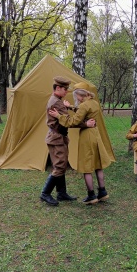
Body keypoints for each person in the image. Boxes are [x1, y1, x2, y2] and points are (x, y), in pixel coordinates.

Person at [49, 82, 111, 205]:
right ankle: (103, 192)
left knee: (86, 166)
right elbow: (84, 111)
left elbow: (72, 122)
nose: (76, 98)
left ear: (80, 95)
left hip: (87, 136)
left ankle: (91, 195)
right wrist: (71, 107)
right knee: (98, 165)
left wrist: (58, 116)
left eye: (76, 96)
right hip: (95, 135)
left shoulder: (83, 106)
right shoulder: (94, 103)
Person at [40, 76, 95, 207]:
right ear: (58, 88)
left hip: (58, 137)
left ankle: (61, 193)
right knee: (59, 166)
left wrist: (69, 107)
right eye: (65, 89)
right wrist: (85, 124)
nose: (66, 92)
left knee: (61, 164)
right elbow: (70, 121)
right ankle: (45, 193)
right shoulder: (56, 102)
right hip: (57, 138)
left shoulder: (56, 100)